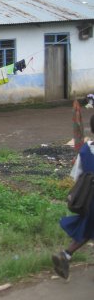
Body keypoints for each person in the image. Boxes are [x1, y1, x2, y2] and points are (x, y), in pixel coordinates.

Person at [52, 114, 94, 279]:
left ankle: (66, 255)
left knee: (87, 229)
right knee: (87, 229)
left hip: (89, 200)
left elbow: (76, 176)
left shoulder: (85, 149)